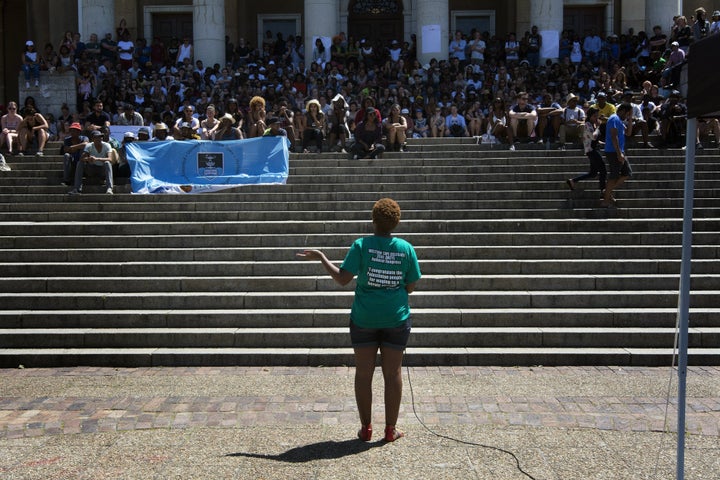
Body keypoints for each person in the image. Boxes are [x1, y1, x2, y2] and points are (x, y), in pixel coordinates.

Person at [296, 197, 421, 443]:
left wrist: (322, 257)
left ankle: (366, 429)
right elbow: (411, 286)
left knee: (363, 373)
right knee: (393, 372)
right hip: (395, 318)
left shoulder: (361, 245)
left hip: (364, 317)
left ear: (373, 220)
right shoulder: (406, 249)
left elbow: (343, 279)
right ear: (396, 223)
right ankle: (390, 430)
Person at [567, 107, 606, 195]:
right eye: (595, 116)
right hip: (591, 151)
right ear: (590, 116)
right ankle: (603, 189)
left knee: (593, 173)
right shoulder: (588, 124)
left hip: (592, 150)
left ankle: (573, 181)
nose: (596, 118)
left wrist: (603, 143)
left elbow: (593, 139)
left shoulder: (592, 125)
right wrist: (599, 127)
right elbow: (593, 136)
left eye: (597, 116)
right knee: (603, 170)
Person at [602, 103, 633, 208]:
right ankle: (605, 200)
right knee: (614, 175)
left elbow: (628, 133)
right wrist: (619, 153)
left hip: (620, 151)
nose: (627, 116)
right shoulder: (613, 119)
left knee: (627, 173)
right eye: (627, 113)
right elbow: (614, 136)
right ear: (623, 110)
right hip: (613, 151)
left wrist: (630, 118)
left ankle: (606, 191)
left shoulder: (619, 120)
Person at [69, 130, 115, 195]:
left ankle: (109, 188)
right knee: (80, 163)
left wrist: (97, 159)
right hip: (91, 169)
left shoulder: (107, 145)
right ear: (93, 139)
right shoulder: (89, 146)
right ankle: (77, 188)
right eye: (97, 137)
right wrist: (88, 159)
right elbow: (82, 158)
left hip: (102, 169)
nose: (99, 139)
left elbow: (110, 158)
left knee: (107, 163)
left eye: (100, 137)